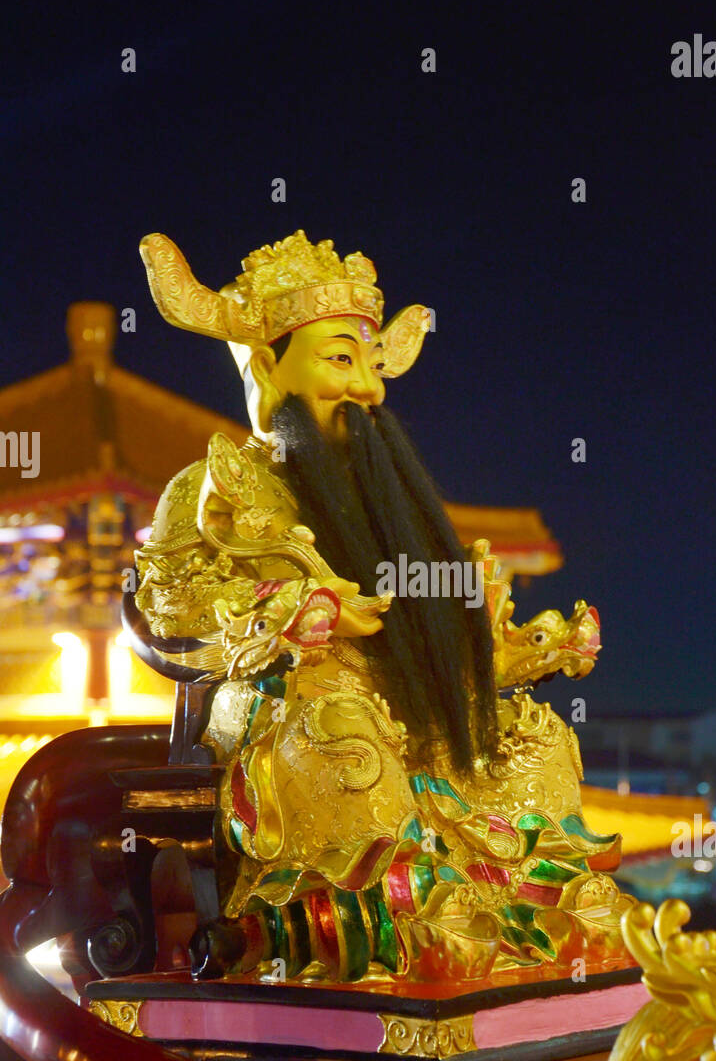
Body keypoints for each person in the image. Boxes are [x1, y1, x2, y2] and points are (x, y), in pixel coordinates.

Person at [136, 228, 634, 982]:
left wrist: (506, 657)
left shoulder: (381, 505)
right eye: (341, 360)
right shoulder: (215, 488)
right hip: (293, 712)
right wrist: (290, 614)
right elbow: (164, 614)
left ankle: (551, 909)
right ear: (269, 365)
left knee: (530, 735)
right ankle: (368, 928)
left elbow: (433, 630)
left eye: (373, 365)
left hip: (420, 720)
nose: (368, 390)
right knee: (347, 731)